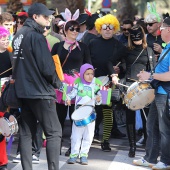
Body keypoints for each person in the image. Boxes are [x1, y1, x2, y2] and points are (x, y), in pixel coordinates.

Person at [12, 3, 62, 170]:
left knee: (26, 133)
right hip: (40, 92)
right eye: (45, 16)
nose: (48, 18)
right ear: (35, 17)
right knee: (54, 133)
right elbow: (47, 67)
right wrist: (58, 83)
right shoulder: (37, 36)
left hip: (23, 92)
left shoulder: (18, 34)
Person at [51, 8, 91, 156]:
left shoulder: (83, 47)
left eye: (77, 29)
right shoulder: (57, 46)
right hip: (60, 85)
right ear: (65, 30)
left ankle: (73, 147)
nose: (75, 31)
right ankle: (57, 144)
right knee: (59, 117)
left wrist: (87, 83)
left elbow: (88, 66)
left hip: (77, 85)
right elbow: (51, 65)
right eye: (71, 28)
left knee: (75, 117)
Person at [133, 17, 170, 170]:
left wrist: (150, 76)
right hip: (159, 92)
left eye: (162, 28)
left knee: (164, 129)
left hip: (165, 94)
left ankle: (166, 161)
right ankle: (151, 158)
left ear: (169, 30)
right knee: (151, 126)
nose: (159, 31)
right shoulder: (167, 47)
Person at [114, 25, 155, 157]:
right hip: (129, 86)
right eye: (134, 38)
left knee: (146, 119)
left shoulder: (149, 51)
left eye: (138, 37)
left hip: (144, 87)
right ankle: (132, 146)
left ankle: (148, 146)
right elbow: (112, 62)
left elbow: (153, 70)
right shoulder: (125, 50)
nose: (137, 40)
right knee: (130, 118)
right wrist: (115, 73)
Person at [89, 14, 126, 151]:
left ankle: (105, 140)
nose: (108, 30)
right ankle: (90, 136)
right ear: (100, 28)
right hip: (93, 82)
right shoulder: (93, 43)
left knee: (107, 111)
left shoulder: (118, 44)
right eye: (105, 27)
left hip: (109, 83)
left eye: (111, 27)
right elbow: (87, 61)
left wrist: (119, 69)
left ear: (114, 28)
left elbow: (124, 64)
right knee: (92, 110)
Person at [66, 63, 102, 165]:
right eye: (87, 74)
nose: (90, 76)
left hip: (90, 113)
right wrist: (68, 99)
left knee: (89, 135)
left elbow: (99, 100)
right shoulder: (78, 85)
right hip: (79, 112)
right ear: (82, 74)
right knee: (76, 136)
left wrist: (99, 99)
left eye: (92, 74)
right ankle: (73, 155)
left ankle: (84, 155)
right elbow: (70, 95)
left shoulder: (95, 87)